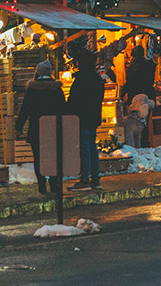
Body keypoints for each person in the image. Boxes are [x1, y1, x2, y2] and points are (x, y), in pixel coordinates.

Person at [15, 60, 67, 195]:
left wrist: (18, 127)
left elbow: (25, 109)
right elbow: (63, 108)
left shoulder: (33, 88)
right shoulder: (56, 89)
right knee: (53, 156)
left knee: (38, 157)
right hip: (53, 128)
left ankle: (42, 184)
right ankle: (54, 183)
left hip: (36, 128)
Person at [67, 50, 106, 191]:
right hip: (94, 117)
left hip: (82, 117)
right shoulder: (97, 79)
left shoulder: (81, 79)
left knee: (84, 148)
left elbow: (74, 100)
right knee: (92, 147)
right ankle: (95, 179)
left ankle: (85, 180)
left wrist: (69, 112)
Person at [121, 46, 156, 148]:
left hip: (136, 99)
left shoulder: (134, 68)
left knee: (134, 123)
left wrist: (122, 94)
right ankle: (144, 145)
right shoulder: (148, 66)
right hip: (147, 98)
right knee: (143, 123)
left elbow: (129, 83)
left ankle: (137, 146)